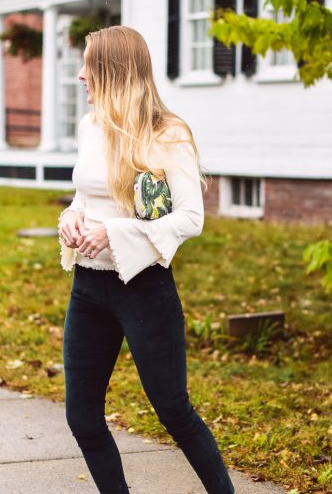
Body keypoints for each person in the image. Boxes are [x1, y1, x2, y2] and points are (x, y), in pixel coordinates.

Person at [57, 25, 236, 494]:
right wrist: (71, 220)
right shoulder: (89, 127)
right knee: (81, 415)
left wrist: (114, 232)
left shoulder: (167, 134)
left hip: (144, 288)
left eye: (89, 66)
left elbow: (191, 218)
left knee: (173, 408)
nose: (80, 76)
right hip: (89, 287)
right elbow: (84, 197)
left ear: (113, 72)